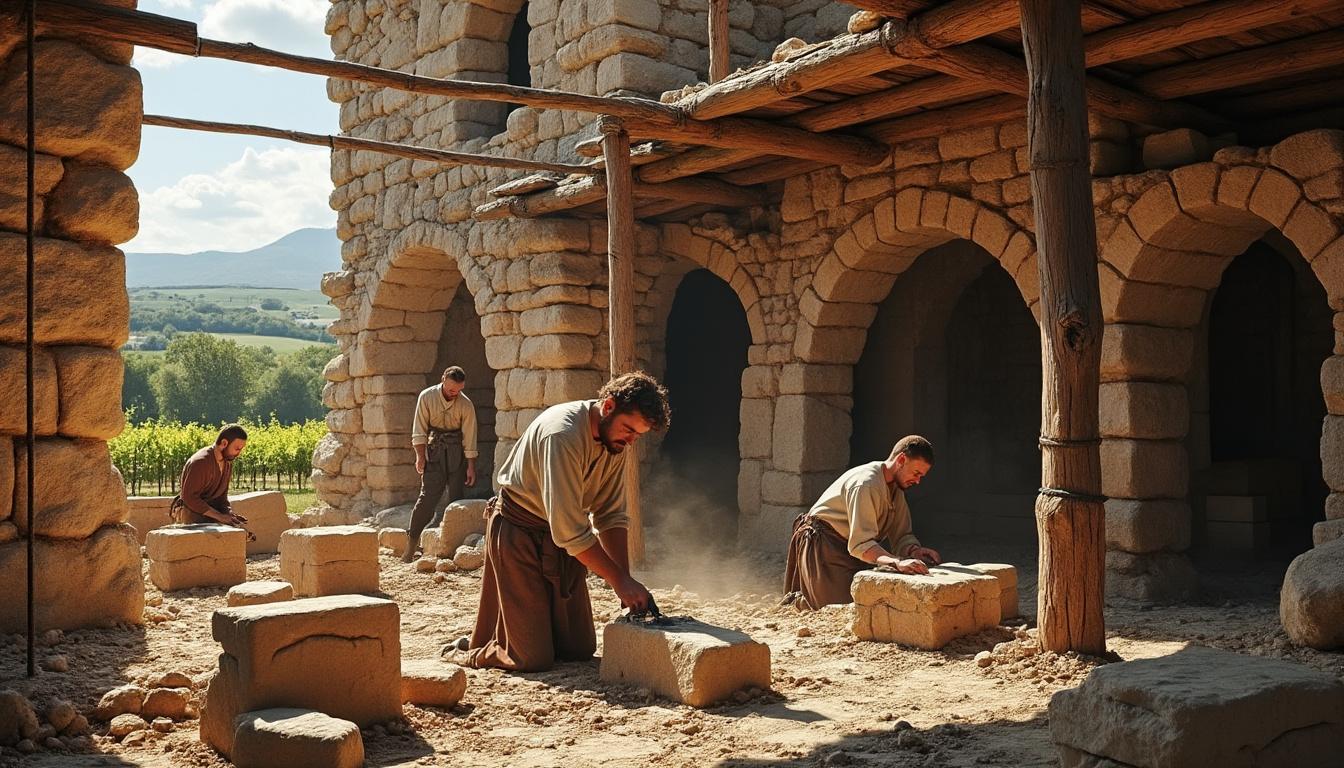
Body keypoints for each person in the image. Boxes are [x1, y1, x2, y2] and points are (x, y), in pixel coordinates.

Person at [449, 371, 671, 672]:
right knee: (531, 658)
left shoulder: (615, 441)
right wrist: (620, 582)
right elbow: (569, 531)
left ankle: (517, 633)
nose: (631, 441)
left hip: (562, 543)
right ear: (607, 407)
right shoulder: (563, 435)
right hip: (519, 533)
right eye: (629, 430)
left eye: (637, 435)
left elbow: (609, 514)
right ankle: (468, 653)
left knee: (578, 649)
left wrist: (625, 580)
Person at [783, 435, 941, 609]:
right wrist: (896, 561)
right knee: (838, 608)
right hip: (824, 545)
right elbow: (861, 543)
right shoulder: (866, 484)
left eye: (921, 476)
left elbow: (902, 533)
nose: (918, 481)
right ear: (901, 459)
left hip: (853, 551)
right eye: (916, 473)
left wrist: (914, 550)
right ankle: (799, 599)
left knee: (869, 600)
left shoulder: (897, 489)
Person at [403, 366, 479, 563]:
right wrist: (420, 456)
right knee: (426, 498)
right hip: (434, 451)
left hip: (456, 454)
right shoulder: (426, 397)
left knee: (456, 499)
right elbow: (419, 429)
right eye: (452, 389)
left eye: (459, 390)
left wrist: (470, 466)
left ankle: (453, 550)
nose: (455, 393)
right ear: (443, 380)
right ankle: (410, 547)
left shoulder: (466, 405)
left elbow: (470, 437)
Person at [170, 424, 254, 539]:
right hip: (192, 514)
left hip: (212, 514)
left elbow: (222, 497)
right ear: (224, 443)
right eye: (237, 449)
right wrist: (220, 517)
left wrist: (228, 514)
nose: (238, 453)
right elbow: (189, 497)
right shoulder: (200, 462)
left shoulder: (227, 463)